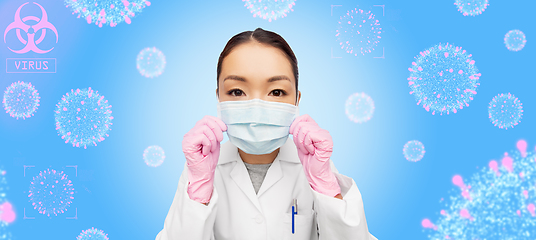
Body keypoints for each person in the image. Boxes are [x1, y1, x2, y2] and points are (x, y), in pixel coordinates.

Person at [156, 28, 377, 240]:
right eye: (236, 91)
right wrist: (198, 195)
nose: (256, 107)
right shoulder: (200, 172)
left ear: (296, 100)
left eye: (277, 92)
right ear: (219, 98)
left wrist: (326, 187)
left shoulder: (315, 169)